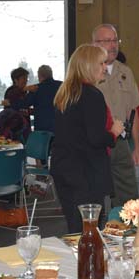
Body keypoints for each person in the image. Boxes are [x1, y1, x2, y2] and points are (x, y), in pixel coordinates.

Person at [50, 45, 124, 233]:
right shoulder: (91, 95)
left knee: (74, 228)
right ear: (88, 66)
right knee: (89, 231)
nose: (104, 68)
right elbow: (95, 138)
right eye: (101, 63)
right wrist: (114, 132)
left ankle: (78, 261)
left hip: (64, 168)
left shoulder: (65, 93)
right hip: (86, 173)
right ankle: (88, 263)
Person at [93, 24, 139, 207]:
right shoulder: (88, 72)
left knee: (129, 196)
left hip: (121, 143)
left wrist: (137, 146)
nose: (113, 45)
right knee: (95, 196)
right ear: (95, 44)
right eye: (107, 41)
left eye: (115, 40)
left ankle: (131, 232)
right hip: (96, 142)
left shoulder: (126, 72)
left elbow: (133, 111)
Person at [19, 65, 62, 132]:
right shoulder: (62, 86)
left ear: (39, 76)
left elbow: (23, 104)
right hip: (60, 127)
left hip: (42, 130)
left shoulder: (36, 89)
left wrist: (23, 90)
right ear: (51, 74)